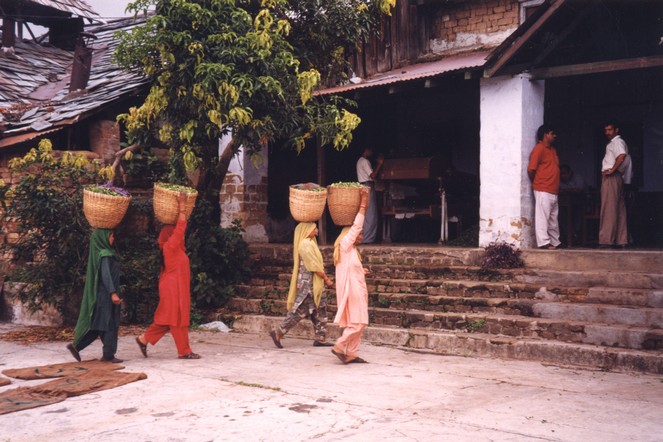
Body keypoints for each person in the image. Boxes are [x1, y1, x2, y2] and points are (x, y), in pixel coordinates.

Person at [135, 193, 201, 359]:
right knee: (177, 318)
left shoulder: (175, 248)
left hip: (174, 286)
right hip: (172, 287)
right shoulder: (170, 247)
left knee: (169, 318)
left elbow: (179, 231)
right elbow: (180, 229)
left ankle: (143, 339)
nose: (181, 237)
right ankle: (184, 351)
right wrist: (182, 207)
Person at [269, 222, 334, 348]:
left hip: (314, 283)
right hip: (308, 284)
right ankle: (278, 331)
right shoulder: (305, 245)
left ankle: (320, 338)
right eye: (314, 228)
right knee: (300, 311)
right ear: (306, 230)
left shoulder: (311, 243)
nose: (316, 230)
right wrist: (326, 279)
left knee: (319, 309)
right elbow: (314, 266)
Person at [67, 229, 122, 363]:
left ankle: (76, 346)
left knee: (99, 325)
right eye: (111, 236)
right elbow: (106, 276)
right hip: (106, 295)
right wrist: (113, 293)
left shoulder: (101, 254)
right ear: (103, 238)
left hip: (103, 294)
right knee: (109, 324)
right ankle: (108, 355)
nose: (113, 239)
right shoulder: (105, 255)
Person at [331, 187, 370, 364]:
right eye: (359, 234)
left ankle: (351, 353)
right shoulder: (345, 244)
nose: (360, 236)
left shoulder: (352, 250)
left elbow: (351, 267)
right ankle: (340, 345)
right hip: (352, 291)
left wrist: (362, 271)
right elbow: (357, 226)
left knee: (359, 322)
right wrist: (363, 204)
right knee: (359, 322)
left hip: (358, 288)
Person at [527, 124, 561, 250]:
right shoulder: (539, 149)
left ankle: (555, 242)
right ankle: (544, 243)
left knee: (553, 219)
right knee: (543, 217)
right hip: (543, 188)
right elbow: (531, 169)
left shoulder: (553, 150)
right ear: (545, 134)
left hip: (553, 190)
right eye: (552, 133)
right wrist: (537, 183)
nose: (554, 136)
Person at [599, 121, 631, 249]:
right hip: (617, 177)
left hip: (612, 177)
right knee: (618, 208)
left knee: (609, 208)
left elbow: (621, 155)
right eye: (606, 130)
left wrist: (612, 169)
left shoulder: (617, 142)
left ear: (616, 130)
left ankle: (607, 240)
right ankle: (620, 239)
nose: (607, 133)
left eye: (610, 130)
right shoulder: (617, 142)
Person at [356, 147, 383, 243]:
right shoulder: (365, 161)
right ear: (366, 150)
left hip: (363, 186)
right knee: (371, 214)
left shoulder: (359, 161)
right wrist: (379, 164)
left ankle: (365, 237)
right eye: (370, 151)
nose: (371, 153)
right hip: (367, 185)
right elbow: (373, 175)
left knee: (366, 212)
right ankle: (368, 239)